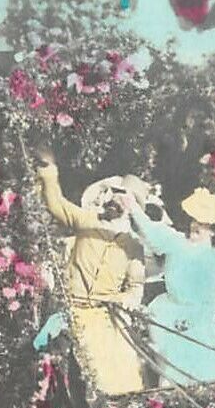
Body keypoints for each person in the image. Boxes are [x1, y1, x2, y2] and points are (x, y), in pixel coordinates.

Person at [32, 148, 149, 395]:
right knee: (43, 363)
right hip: (70, 311)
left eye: (124, 197)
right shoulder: (87, 220)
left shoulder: (134, 246)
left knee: (117, 380)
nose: (116, 199)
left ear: (133, 207)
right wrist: (49, 171)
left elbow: (135, 288)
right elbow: (56, 204)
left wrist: (120, 299)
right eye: (115, 193)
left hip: (103, 320)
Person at [125, 188, 215, 384]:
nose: (195, 224)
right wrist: (133, 208)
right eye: (194, 219)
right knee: (174, 359)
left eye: (203, 223)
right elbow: (152, 231)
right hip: (169, 313)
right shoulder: (177, 241)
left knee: (207, 361)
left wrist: (196, 319)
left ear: (214, 230)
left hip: (201, 318)